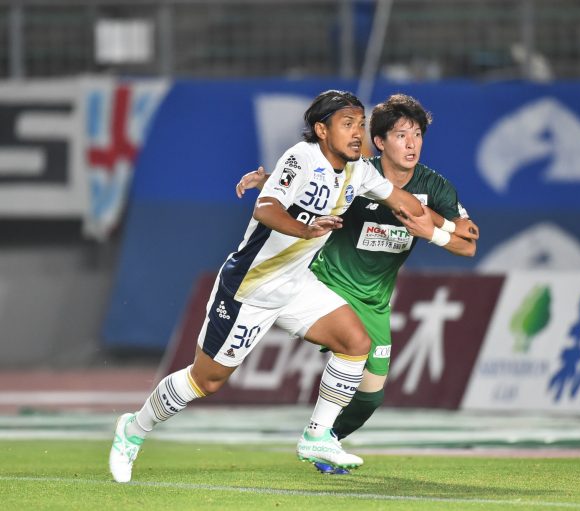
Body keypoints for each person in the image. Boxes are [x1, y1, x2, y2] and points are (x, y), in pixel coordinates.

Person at [108, 89, 452, 483]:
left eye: (360, 124)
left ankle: (317, 436)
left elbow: (405, 202)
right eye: (347, 124)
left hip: (296, 284)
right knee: (206, 380)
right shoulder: (300, 158)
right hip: (250, 289)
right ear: (322, 130)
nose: (357, 133)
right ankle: (133, 429)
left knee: (356, 342)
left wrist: (446, 229)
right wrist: (305, 230)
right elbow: (266, 208)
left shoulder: (360, 171)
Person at [237, 93, 479, 474]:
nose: (411, 144)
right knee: (351, 347)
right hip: (330, 282)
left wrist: (432, 233)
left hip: (375, 300)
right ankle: (314, 430)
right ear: (379, 141)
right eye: (401, 135)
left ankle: (325, 441)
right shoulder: (358, 173)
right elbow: (315, 183)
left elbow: (468, 245)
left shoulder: (436, 187)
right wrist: (270, 182)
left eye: (417, 135)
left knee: (370, 397)